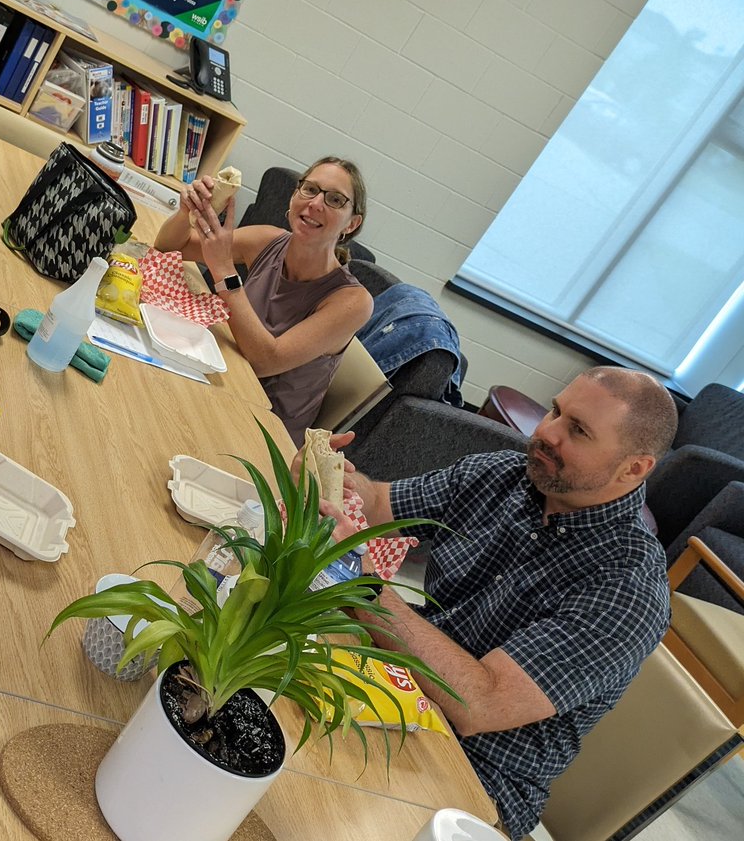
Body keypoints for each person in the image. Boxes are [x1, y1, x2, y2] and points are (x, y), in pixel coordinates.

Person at [317, 367, 678, 838]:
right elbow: (381, 502)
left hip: (473, 782)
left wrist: (367, 587)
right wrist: (337, 478)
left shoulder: (628, 589)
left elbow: (478, 704)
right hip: (401, 684)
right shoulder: (506, 475)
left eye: (578, 430)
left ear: (634, 468)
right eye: (555, 410)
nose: (547, 432)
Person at [154, 157, 373, 440]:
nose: (316, 203)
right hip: (221, 375)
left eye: (334, 200)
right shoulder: (268, 240)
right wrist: (187, 213)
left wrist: (223, 271)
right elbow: (171, 246)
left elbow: (266, 361)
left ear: (351, 224)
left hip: (263, 429)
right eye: (309, 189)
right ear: (295, 195)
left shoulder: (354, 302)